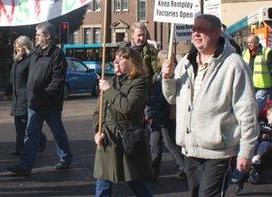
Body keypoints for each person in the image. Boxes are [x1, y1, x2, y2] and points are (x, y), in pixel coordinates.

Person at [162, 14, 259, 197]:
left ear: (216, 33)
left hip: (218, 152)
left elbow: (247, 112)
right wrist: (167, 78)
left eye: (202, 30)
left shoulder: (234, 65)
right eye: (194, 29)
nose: (196, 34)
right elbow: (171, 98)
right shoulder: (186, 63)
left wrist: (246, 151)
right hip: (190, 149)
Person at [8, 22, 72, 175]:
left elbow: (58, 80)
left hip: (50, 104)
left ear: (47, 35)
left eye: (38, 35)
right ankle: (25, 166)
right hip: (34, 103)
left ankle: (66, 158)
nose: (35, 37)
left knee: (58, 133)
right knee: (31, 133)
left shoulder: (57, 54)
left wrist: (43, 95)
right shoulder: (36, 52)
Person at [93, 47, 154, 196]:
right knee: (103, 183)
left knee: (137, 183)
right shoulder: (111, 83)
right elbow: (98, 111)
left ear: (132, 62)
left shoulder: (140, 83)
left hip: (128, 138)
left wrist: (108, 90)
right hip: (108, 139)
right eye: (115, 57)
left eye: (121, 58)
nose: (115, 60)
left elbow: (127, 107)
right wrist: (97, 131)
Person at [146, 50, 185, 180]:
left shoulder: (168, 77)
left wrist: (151, 112)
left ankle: (184, 169)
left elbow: (162, 98)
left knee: (170, 144)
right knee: (155, 142)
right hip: (159, 114)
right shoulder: (160, 77)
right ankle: (153, 172)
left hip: (164, 114)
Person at [6, 36, 47, 157]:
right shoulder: (17, 61)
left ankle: (40, 140)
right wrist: (7, 92)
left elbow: (33, 79)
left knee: (26, 125)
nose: (18, 50)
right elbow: (11, 78)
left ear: (26, 47)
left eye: (20, 48)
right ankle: (19, 148)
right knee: (19, 125)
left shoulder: (31, 60)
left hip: (26, 98)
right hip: (17, 97)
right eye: (16, 48)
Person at [242, 35, 272, 111]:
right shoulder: (244, 52)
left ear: (257, 43)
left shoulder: (266, 52)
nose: (249, 44)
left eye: (251, 42)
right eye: (248, 43)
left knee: (257, 107)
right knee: (248, 107)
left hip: (262, 86)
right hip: (248, 85)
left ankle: (257, 121)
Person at [126, 22, 159, 89]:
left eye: (144, 35)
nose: (142, 38)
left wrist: (149, 86)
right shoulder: (125, 50)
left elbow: (157, 72)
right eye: (139, 35)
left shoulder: (152, 51)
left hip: (144, 89)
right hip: (127, 87)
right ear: (132, 35)